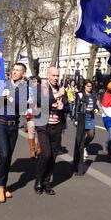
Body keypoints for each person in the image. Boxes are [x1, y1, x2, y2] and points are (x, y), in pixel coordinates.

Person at [0, 63, 28, 203]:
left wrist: (11, 98)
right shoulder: (3, 84)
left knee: (9, 157)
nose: (14, 72)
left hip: (14, 126)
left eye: (18, 70)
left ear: (23, 74)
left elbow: (22, 108)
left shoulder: (25, 89)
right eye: (13, 70)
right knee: (4, 154)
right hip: (1, 123)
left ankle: (4, 185)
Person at [34, 67, 69, 196]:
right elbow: (41, 102)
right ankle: (38, 180)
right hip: (44, 126)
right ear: (47, 75)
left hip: (57, 126)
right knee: (46, 154)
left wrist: (63, 107)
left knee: (53, 156)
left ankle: (47, 182)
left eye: (57, 75)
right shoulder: (42, 88)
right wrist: (56, 96)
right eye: (53, 75)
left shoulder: (62, 88)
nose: (56, 77)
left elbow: (68, 107)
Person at [73, 80, 100, 175]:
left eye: (91, 86)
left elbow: (95, 104)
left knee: (91, 135)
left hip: (90, 117)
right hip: (82, 117)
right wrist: (75, 119)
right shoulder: (80, 95)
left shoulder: (93, 95)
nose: (90, 88)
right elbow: (76, 107)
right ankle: (77, 166)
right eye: (88, 86)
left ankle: (83, 146)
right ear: (84, 86)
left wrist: (96, 108)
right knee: (79, 140)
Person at [26, 76, 41, 159]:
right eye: (32, 82)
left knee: (40, 132)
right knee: (31, 131)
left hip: (40, 114)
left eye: (35, 81)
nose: (34, 83)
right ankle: (32, 150)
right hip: (31, 113)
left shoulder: (42, 91)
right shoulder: (28, 91)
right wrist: (26, 101)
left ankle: (39, 149)